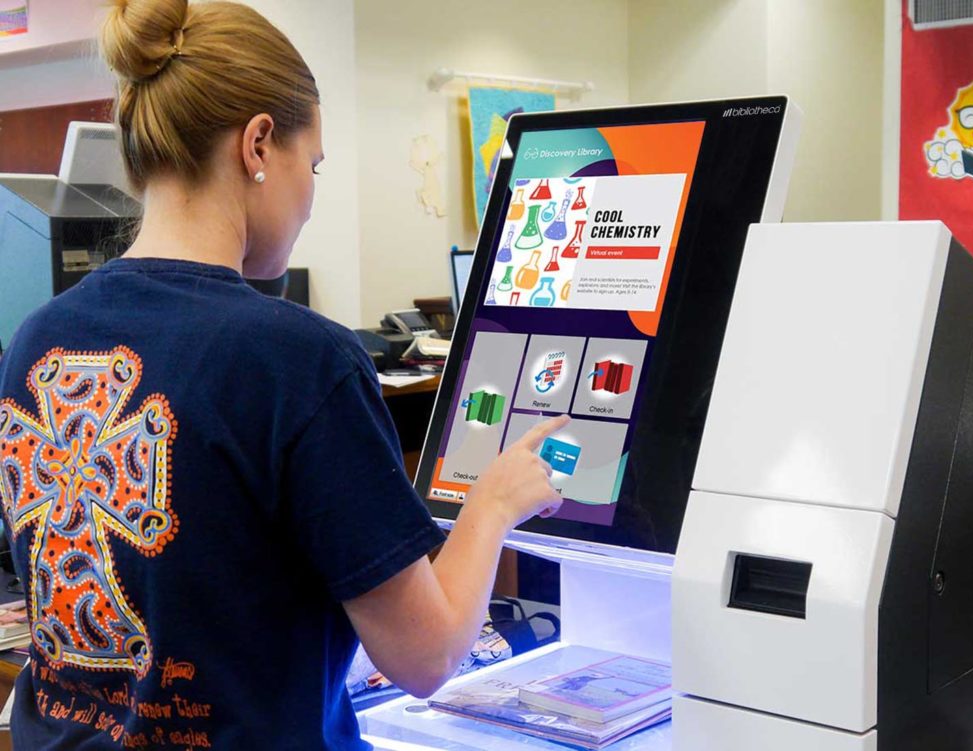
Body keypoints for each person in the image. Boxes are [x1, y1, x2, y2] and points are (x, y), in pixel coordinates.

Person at [0, 1, 567, 748]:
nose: (310, 197)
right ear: (259, 143)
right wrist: (491, 506)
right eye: (315, 164)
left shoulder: (35, 339)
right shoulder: (300, 359)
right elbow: (425, 656)